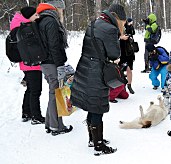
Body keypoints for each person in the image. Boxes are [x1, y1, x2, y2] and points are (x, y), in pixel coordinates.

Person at [70, 4, 127, 155]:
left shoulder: (94, 22)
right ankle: (98, 145)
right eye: (122, 21)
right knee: (97, 108)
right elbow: (114, 54)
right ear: (117, 17)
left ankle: (92, 139)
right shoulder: (111, 29)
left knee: (92, 104)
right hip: (97, 72)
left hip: (85, 66)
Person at [36, 2, 72, 135]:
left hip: (45, 62)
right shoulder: (50, 21)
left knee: (53, 92)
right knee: (56, 93)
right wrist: (60, 65)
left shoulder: (41, 19)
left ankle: (50, 123)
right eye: (61, 9)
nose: (61, 12)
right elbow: (54, 45)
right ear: (56, 8)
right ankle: (56, 126)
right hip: (52, 63)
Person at [11, 7, 44, 123]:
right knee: (36, 90)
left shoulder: (19, 25)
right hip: (32, 63)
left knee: (30, 89)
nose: (37, 17)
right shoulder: (27, 28)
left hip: (25, 63)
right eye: (35, 15)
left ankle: (26, 113)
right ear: (28, 16)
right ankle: (36, 117)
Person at [119, 17, 136, 94]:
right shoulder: (117, 27)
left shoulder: (129, 26)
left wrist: (129, 26)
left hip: (129, 50)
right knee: (120, 69)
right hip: (120, 51)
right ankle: (121, 86)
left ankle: (129, 85)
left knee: (129, 69)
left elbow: (132, 33)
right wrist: (121, 37)